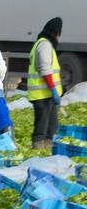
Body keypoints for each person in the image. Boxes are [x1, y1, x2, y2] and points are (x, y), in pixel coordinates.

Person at [28, 16, 64, 149]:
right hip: (43, 94)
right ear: (55, 33)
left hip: (47, 94)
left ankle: (48, 150)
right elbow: (45, 69)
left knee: (52, 127)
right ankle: (38, 149)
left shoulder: (44, 44)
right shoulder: (44, 45)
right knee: (42, 128)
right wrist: (53, 89)